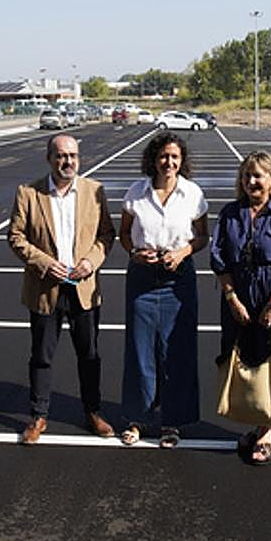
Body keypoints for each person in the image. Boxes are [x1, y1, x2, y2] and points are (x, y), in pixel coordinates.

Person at [8, 133, 116, 444]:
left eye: (72, 156)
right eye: (60, 156)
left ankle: (93, 411)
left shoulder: (95, 191)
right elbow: (16, 237)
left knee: (90, 354)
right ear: (49, 159)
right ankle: (39, 415)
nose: (67, 161)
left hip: (83, 288)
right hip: (45, 288)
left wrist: (91, 262)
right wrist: (44, 263)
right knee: (41, 355)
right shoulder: (28, 193)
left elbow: (106, 234)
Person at [210, 150, 271, 464]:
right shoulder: (229, 213)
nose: (252, 181)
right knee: (247, 362)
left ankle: (267, 431)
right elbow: (219, 258)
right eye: (247, 175)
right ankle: (257, 421)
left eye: (259, 175)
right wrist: (232, 298)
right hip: (238, 298)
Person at [118, 131, 209, 448]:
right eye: (163, 156)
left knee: (177, 352)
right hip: (142, 278)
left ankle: (173, 422)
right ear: (153, 159)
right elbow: (125, 234)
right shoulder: (137, 192)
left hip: (178, 279)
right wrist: (134, 253)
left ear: (182, 161)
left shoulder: (193, 193)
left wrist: (182, 252)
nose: (168, 162)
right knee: (140, 350)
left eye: (175, 157)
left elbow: (202, 237)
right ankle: (137, 418)